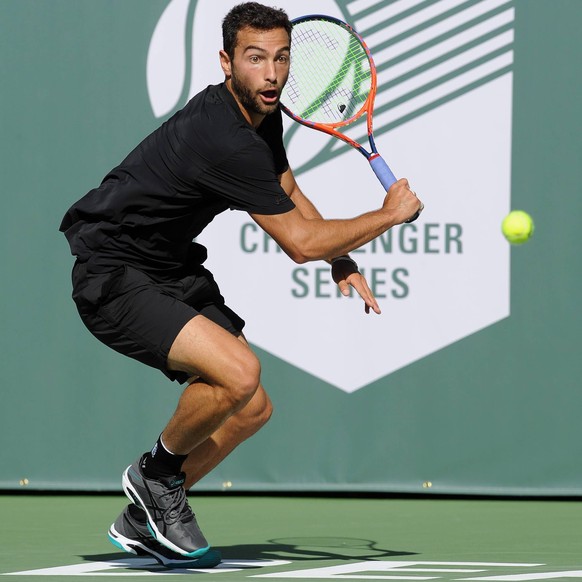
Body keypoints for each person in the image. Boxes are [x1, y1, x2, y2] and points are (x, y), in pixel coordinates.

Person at [59, 1, 423, 570]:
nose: (272, 74)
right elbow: (299, 242)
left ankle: (144, 514)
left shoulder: (261, 113)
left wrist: (343, 258)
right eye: (256, 59)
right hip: (113, 271)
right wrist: (388, 215)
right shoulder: (220, 135)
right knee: (239, 373)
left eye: (281, 59)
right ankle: (154, 477)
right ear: (226, 62)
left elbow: (286, 185)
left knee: (251, 408)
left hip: (169, 267)